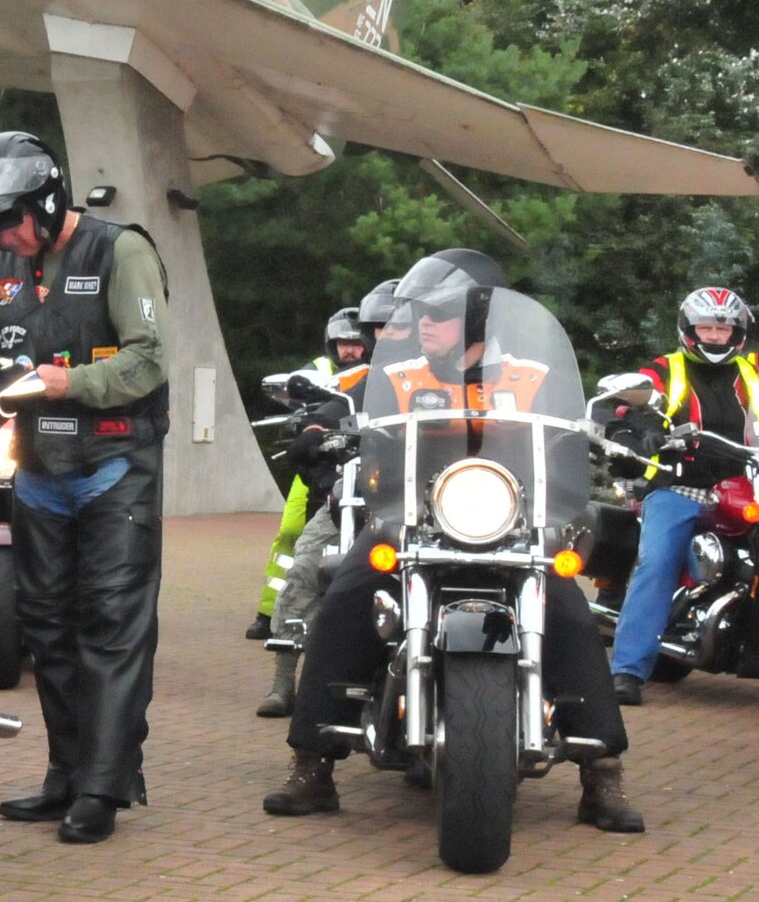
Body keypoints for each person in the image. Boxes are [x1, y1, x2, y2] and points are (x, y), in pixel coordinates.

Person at [262, 249, 644, 835]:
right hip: (410, 518)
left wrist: (613, 431)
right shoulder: (396, 376)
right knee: (346, 594)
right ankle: (311, 762)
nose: (423, 326)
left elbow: (574, 428)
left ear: (479, 313)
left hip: (513, 523)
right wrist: (319, 427)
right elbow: (349, 413)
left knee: (567, 609)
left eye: (439, 314)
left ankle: (602, 771)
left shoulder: (531, 376)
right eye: (420, 315)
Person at [0, 131, 169, 845]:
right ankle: (64, 775)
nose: (6, 239)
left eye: (11, 221)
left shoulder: (121, 251)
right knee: (48, 627)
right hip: (39, 470)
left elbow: (149, 359)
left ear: (47, 201)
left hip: (116, 467)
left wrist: (68, 382)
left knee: (110, 624)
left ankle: (103, 787)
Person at [607, 287, 759, 704]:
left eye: (723, 328)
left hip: (744, 485)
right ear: (688, 329)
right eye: (707, 327)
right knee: (658, 562)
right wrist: (638, 431)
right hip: (680, 485)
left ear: (738, 332)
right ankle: (626, 670)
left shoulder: (754, 374)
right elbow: (624, 408)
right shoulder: (665, 369)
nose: (715, 336)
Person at [254, 295, 388, 718]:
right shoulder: (371, 379)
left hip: (439, 505)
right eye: (381, 327)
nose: (389, 334)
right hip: (369, 493)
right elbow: (342, 404)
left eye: (396, 324)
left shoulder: (457, 377)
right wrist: (315, 426)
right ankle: (283, 681)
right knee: (307, 563)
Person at [246, 308, 367, 642]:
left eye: (356, 343)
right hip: (321, 459)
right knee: (291, 532)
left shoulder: (383, 371)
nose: (350, 351)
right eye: (343, 343)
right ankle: (271, 613)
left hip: (363, 460)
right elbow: (292, 398)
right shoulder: (318, 369)